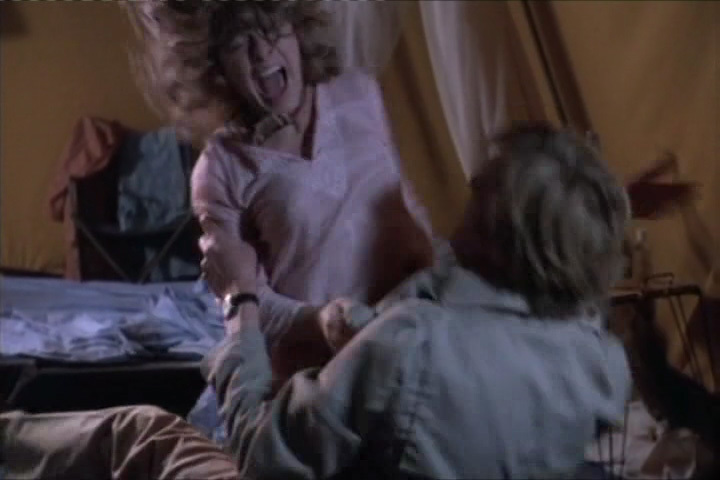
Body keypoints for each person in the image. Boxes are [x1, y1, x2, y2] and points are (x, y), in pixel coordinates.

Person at [0, 123, 632, 479]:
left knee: (142, 430)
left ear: (501, 231)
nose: (468, 189)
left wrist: (241, 304)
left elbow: (258, 455)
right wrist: (358, 330)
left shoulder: (410, 343)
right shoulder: (600, 362)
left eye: (483, 189)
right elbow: (469, 376)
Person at [129, 0, 443, 441]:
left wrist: (441, 274)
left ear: (298, 29)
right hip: (319, 383)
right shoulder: (221, 169)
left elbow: (409, 206)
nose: (262, 53)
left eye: (272, 28)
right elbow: (246, 297)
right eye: (239, 42)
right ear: (215, 66)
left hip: (407, 347)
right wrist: (319, 321)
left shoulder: (361, 94)